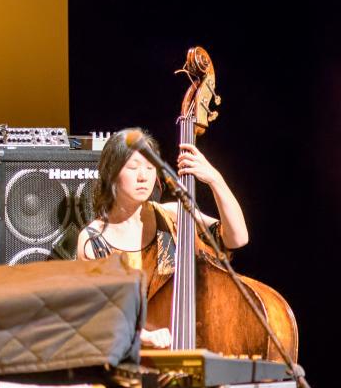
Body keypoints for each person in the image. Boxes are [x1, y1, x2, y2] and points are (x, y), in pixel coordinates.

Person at [76, 128, 249, 349]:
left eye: (150, 168)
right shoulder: (93, 240)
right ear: (111, 173)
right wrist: (145, 337)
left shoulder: (172, 215)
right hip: (130, 356)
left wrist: (215, 179)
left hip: (184, 343)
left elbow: (237, 238)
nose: (143, 176)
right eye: (133, 167)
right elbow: (97, 320)